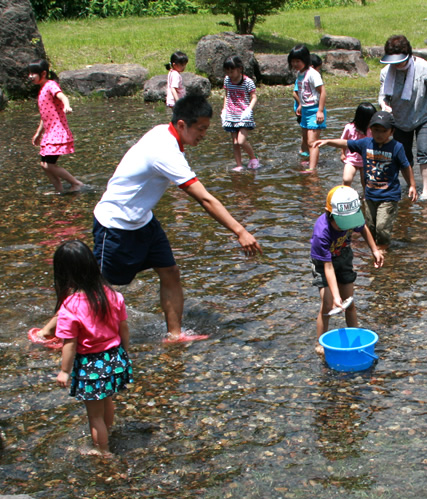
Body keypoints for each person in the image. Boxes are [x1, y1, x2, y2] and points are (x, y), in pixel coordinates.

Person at [28, 95, 262, 347]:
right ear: (182, 124)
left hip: (143, 221)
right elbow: (204, 199)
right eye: (201, 129)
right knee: (95, 287)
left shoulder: (165, 133)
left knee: (170, 272)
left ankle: (175, 335)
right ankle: (47, 333)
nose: (204, 135)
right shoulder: (165, 151)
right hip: (116, 224)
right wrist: (240, 231)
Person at [52, 240, 132, 455]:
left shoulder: (70, 305)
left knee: (94, 415)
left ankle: (103, 452)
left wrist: (64, 371)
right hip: (115, 358)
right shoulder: (112, 295)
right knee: (107, 401)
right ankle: (109, 432)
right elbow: (123, 328)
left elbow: (69, 344)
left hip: (90, 365)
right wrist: (125, 354)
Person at [314, 110, 417, 248]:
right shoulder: (366, 143)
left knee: (382, 227)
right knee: (371, 226)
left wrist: (412, 185)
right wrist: (328, 141)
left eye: (383, 131)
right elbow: (345, 143)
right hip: (370, 195)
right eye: (375, 130)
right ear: (370, 129)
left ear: (391, 131)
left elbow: (405, 166)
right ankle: (375, 249)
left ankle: (383, 249)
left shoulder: (396, 147)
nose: (379, 134)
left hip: (389, 196)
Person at [379, 34, 427, 202]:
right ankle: (411, 185)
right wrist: (384, 105)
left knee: (424, 152)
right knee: (404, 156)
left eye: (399, 60)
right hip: (400, 120)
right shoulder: (386, 72)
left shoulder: (423, 67)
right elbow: (383, 95)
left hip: (424, 116)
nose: (396, 64)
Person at [310, 185, 384, 355]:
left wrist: (374, 249)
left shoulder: (351, 217)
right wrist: (336, 296)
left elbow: (363, 228)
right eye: (342, 224)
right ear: (330, 214)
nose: (345, 228)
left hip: (343, 256)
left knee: (349, 301)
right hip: (324, 263)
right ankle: (321, 342)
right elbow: (327, 268)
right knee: (328, 304)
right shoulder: (321, 233)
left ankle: (355, 339)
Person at [28, 59, 83, 194]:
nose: (30, 76)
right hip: (49, 133)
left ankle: (76, 183)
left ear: (44, 73)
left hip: (58, 131)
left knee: (49, 164)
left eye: (33, 74)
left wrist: (67, 106)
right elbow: (44, 116)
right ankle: (59, 189)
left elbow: (62, 96)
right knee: (44, 165)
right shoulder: (41, 90)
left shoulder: (51, 85)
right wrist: (38, 133)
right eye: (29, 73)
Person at [289, 44, 327, 174]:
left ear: (305, 60)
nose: (295, 64)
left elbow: (322, 92)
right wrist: (300, 105)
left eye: (297, 61)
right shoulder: (300, 74)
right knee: (305, 141)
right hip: (305, 110)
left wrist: (320, 110)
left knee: (312, 142)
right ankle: (308, 161)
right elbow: (301, 92)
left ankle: (312, 168)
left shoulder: (313, 74)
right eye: (293, 61)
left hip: (314, 110)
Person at [221, 56, 259, 171]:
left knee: (241, 140)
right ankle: (239, 165)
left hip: (244, 115)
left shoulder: (248, 82)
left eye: (232, 71)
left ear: (240, 69)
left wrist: (249, 109)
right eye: (227, 71)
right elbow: (227, 95)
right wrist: (224, 109)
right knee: (235, 142)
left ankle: (253, 158)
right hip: (231, 115)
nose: (229, 74)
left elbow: (254, 97)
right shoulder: (227, 80)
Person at [339, 102, 376, 187]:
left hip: (366, 160)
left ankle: (365, 198)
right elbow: (343, 141)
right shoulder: (349, 127)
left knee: (366, 183)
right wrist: (342, 153)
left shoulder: (372, 129)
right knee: (346, 180)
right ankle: (345, 197)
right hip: (352, 159)